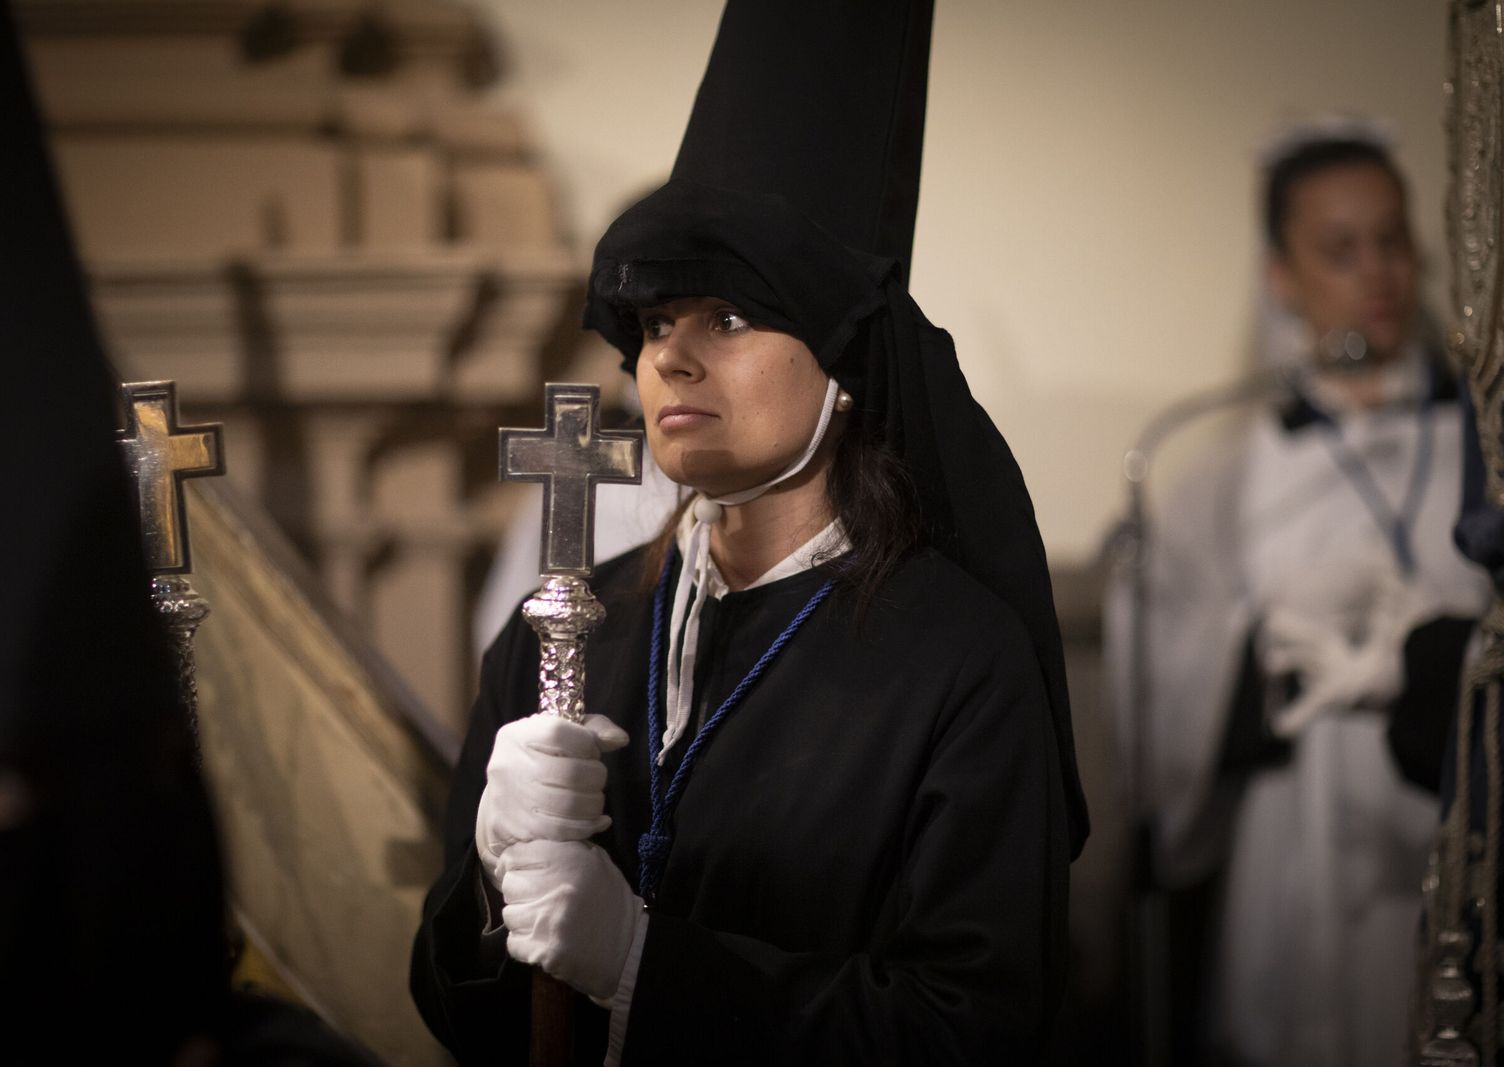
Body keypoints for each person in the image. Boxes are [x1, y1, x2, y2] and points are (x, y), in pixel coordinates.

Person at [409, 0, 1089, 1063]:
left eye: (726, 318)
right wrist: (493, 886)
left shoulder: (959, 662)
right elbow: (457, 1012)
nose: (671, 359)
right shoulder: (561, 635)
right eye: (652, 325)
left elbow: (975, 1024)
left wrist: (644, 964)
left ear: (844, 363)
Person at [1107, 125, 1493, 1066]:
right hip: (1299, 846)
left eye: (1393, 240)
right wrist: (1254, 643)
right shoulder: (1226, 470)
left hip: (1461, 833)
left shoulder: (1484, 445)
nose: (1378, 274)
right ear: (1281, 274)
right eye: (1341, 249)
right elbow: (1158, 677)